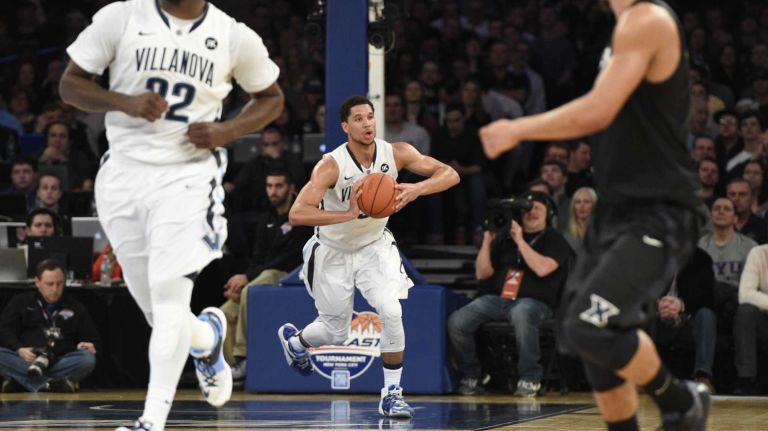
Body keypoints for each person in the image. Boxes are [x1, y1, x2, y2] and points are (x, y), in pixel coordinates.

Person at [480, 1, 711, 429]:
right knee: (583, 336)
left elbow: (597, 110)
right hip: (618, 210)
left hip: (659, 208)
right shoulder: (622, 28)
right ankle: (664, 410)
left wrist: (517, 127)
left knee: (590, 328)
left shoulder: (647, 19)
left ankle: (681, 400)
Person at [60, 0, 284, 429]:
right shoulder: (122, 16)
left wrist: (229, 130)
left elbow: (271, 97)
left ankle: (151, 421)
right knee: (158, 312)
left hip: (186, 178)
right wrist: (122, 101)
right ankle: (206, 337)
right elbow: (70, 85)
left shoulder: (233, 35)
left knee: (168, 301)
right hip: (123, 176)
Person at [278, 95, 458, 418]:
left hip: (374, 246)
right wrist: (347, 214)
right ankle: (296, 343)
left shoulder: (397, 153)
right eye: (358, 119)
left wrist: (415, 189)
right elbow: (296, 213)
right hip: (332, 251)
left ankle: (392, 394)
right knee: (336, 332)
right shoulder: (331, 165)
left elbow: (450, 174)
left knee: (391, 310)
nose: (367, 124)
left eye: (370, 117)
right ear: (346, 127)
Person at [447, 191, 571, 397]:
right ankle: (472, 374)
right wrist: (488, 241)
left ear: (548, 214)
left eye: (537, 209)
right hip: (500, 299)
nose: (531, 213)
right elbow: (482, 273)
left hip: (537, 303)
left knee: (522, 313)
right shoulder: (505, 239)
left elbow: (543, 268)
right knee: (458, 320)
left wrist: (521, 241)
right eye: (527, 210)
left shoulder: (554, 239)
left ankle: (530, 378)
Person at [219, 171, 312, 382]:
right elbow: (258, 258)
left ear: (290, 189)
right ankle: (233, 370)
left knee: (252, 289)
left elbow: (290, 258)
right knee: (224, 313)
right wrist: (244, 279)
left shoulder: (302, 216)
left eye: (279, 186)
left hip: (291, 276)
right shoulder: (266, 218)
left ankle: (242, 355)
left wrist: (248, 279)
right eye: (269, 186)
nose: (273, 191)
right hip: (262, 276)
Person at [0, 259, 99, 393]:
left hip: (59, 360)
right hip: (25, 359)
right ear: (37, 282)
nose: (55, 289)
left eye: (59, 284)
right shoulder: (21, 301)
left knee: (87, 359)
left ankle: (22, 382)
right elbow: (5, 330)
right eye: (49, 284)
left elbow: (91, 338)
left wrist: (88, 345)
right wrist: (19, 349)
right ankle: (50, 385)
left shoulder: (75, 307)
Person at [650, 248, 717, 394]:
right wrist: (658, 304)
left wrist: (681, 304)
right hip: (658, 318)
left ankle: (703, 376)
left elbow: (708, 297)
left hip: (688, 320)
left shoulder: (701, 258)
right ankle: (645, 375)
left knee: (706, 315)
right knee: (640, 314)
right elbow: (638, 290)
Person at [733, 243, 768, 395]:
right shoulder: (759, 253)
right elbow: (745, 294)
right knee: (745, 311)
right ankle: (746, 380)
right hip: (765, 320)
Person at [563, 187, 597, 252]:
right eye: (578, 202)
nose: (582, 206)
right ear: (574, 207)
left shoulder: (601, 234)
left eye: (586, 202)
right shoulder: (567, 238)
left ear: (594, 205)